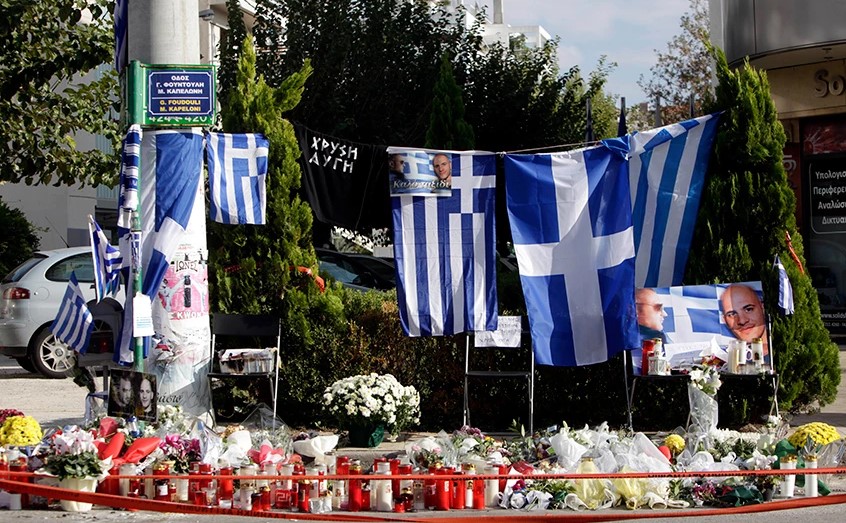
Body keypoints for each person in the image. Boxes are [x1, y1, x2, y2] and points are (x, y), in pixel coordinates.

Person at [720, 283, 769, 355]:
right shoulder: (724, 357)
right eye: (732, 314)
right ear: (724, 320)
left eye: (749, 309)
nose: (742, 321)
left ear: (762, 308)